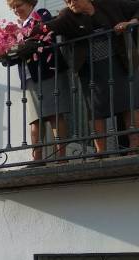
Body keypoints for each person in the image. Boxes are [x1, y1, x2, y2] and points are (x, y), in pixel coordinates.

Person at [33, 0, 139, 152]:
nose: (70, 3)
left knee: (130, 103)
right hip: (91, 70)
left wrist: (132, 22)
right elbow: (47, 28)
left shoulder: (109, 4)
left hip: (120, 61)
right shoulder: (67, 15)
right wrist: (19, 34)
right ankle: (101, 152)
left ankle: (135, 146)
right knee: (96, 110)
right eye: (66, 1)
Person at [9, 0, 70, 162]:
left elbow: (42, 36)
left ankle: (62, 158)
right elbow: (16, 55)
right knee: (35, 119)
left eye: (18, 5)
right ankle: (37, 159)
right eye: (13, 7)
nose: (16, 10)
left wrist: (18, 43)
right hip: (29, 77)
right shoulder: (17, 28)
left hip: (47, 72)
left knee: (54, 115)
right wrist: (2, 53)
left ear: (30, 3)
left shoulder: (41, 14)